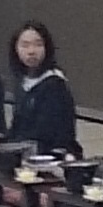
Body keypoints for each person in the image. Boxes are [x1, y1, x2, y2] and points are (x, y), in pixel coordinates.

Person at [7, 21, 77, 154]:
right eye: (25, 45)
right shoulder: (21, 82)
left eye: (38, 45)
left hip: (50, 153)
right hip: (23, 149)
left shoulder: (55, 85)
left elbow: (53, 134)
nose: (31, 51)